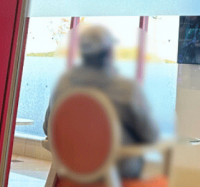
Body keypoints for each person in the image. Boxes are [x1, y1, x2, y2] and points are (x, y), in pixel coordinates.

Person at [43, 25, 159, 179]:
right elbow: (150, 136)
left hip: (71, 177)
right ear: (110, 52)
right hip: (115, 178)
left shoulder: (63, 85)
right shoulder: (126, 89)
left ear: (82, 53)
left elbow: (48, 129)